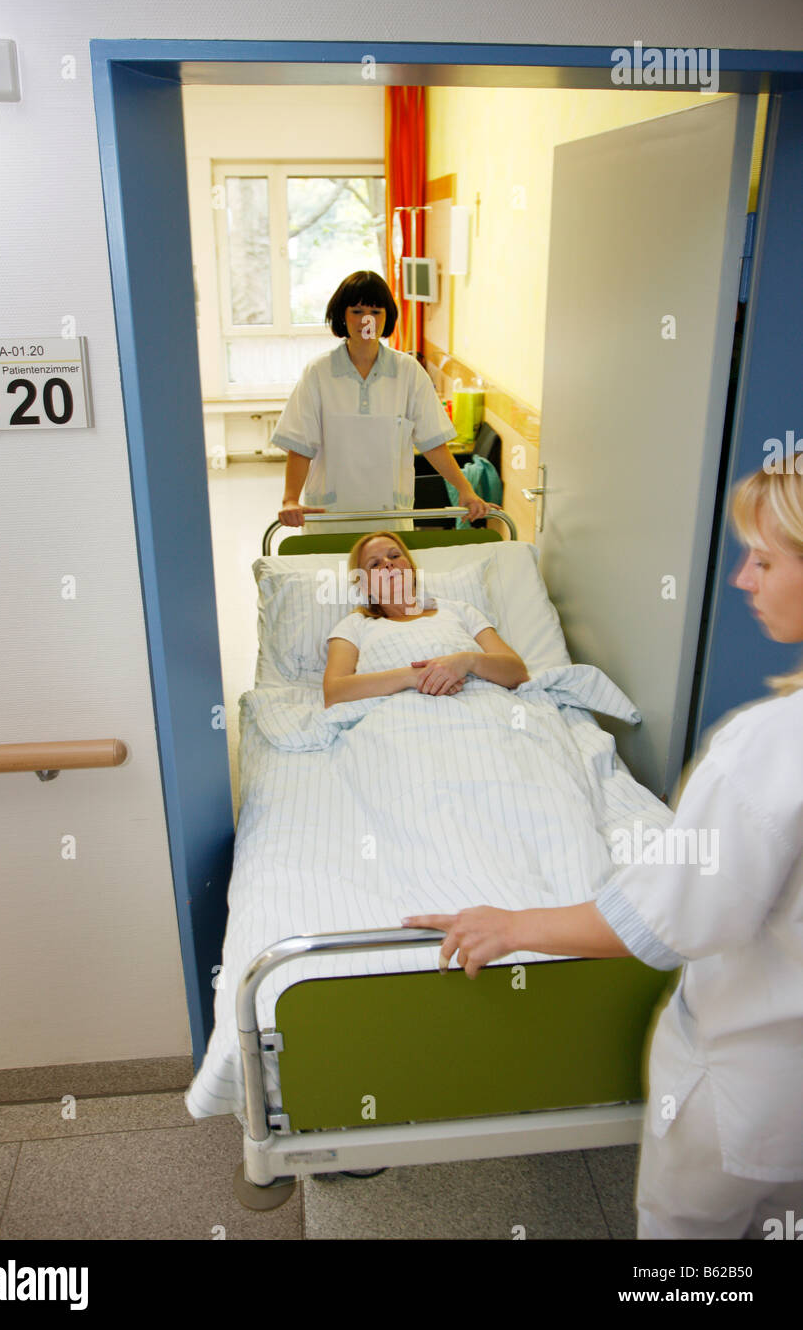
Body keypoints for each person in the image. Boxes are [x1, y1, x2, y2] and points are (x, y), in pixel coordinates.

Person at [404, 463, 803, 1240]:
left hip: (754, 1089)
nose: (741, 579)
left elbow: (660, 920)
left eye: (765, 558)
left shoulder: (769, 750)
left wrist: (510, 925)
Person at [272, 270, 495, 535]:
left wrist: (465, 490)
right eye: (357, 311)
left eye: (376, 311)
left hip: (389, 515)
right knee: (335, 576)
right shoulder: (319, 372)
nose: (367, 319)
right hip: (331, 515)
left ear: (387, 316)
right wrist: (290, 499)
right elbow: (300, 444)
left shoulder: (408, 371)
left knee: (385, 577)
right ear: (341, 315)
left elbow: (433, 442)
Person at [323, 531, 528, 708]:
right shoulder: (354, 625)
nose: (388, 563)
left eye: (394, 555)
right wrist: (414, 677)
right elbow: (334, 693)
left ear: (411, 569)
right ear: (364, 587)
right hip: (396, 717)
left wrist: (467, 661)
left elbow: (517, 672)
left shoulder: (459, 610)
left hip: (480, 706)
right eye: (375, 564)